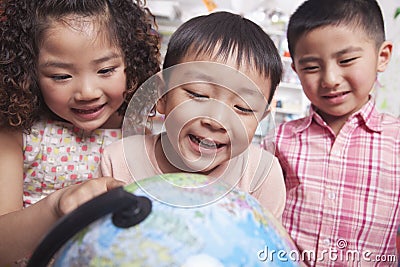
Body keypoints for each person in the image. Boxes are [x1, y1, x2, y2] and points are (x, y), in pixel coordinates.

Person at [0, 0, 159, 264]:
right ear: (29, 73)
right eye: (61, 76)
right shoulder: (17, 134)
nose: (87, 92)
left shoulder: (139, 130)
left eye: (106, 70)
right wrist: (56, 207)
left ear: (131, 62)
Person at [99, 11, 287, 220]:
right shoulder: (118, 161)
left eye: (243, 107)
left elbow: (268, 247)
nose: (217, 121)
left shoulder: (262, 176)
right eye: (199, 94)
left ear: (260, 118)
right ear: (161, 95)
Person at [270, 0, 399, 265]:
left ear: (382, 56)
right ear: (295, 69)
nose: (330, 79)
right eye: (311, 67)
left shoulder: (396, 142)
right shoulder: (279, 140)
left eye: (347, 60)